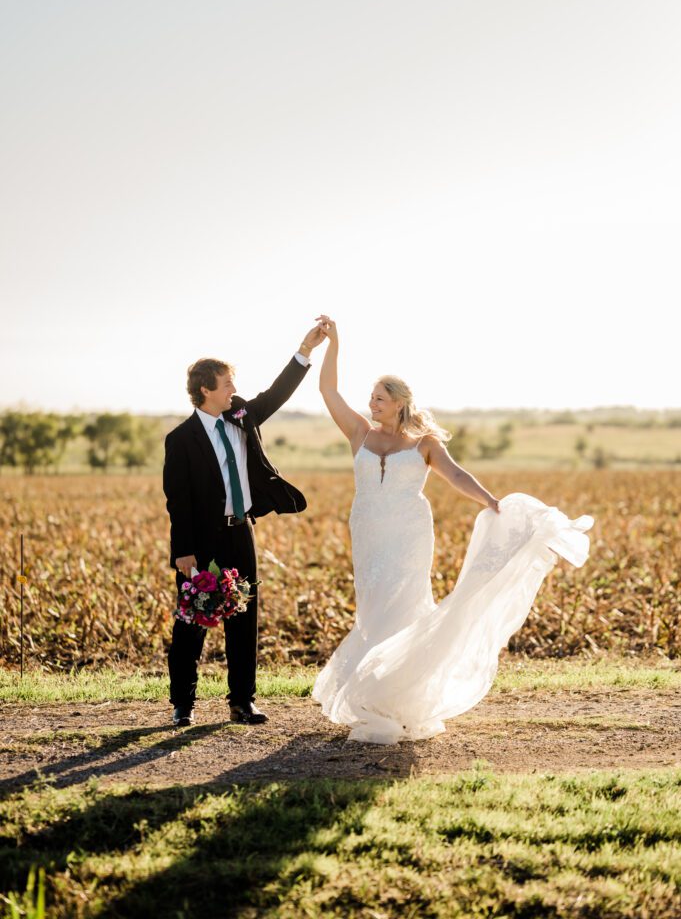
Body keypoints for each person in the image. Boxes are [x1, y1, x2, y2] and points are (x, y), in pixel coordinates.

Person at [312, 316, 593, 744]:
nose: (372, 404)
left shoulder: (424, 442)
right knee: (372, 607)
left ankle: (395, 698)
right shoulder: (359, 433)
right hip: (367, 531)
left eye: (380, 398)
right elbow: (327, 390)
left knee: (404, 603)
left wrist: (491, 501)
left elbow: (457, 475)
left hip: (409, 534)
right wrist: (333, 343)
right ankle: (376, 690)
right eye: (371, 398)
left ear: (400, 403)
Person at [163, 322, 327, 727]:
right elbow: (178, 501)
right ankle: (183, 704)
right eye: (226, 384)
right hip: (201, 541)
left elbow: (276, 394)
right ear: (206, 389)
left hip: (241, 532)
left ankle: (242, 702)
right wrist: (183, 551)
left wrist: (305, 350)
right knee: (192, 620)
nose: (233, 390)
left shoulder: (242, 417)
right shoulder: (180, 439)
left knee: (244, 617)